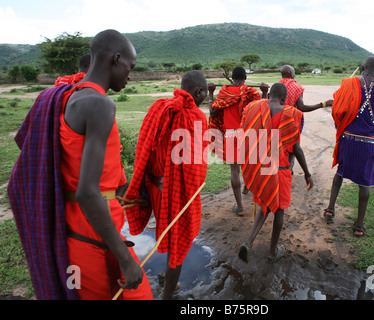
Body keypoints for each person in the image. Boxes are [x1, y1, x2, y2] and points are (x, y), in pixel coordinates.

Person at [8, 29, 153, 300]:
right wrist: (125, 259)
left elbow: (29, 145)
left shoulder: (62, 97)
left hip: (74, 232)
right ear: (116, 59)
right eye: (129, 67)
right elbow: (88, 192)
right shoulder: (99, 104)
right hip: (95, 239)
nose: (130, 74)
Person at [123, 70, 209, 300]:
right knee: (178, 241)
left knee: (167, 234)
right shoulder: (195, 117)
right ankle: (168, 292)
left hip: (154, 186)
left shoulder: (159, 107)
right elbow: (197, 166)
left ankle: (165, 280)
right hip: (177, 192)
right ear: (198, 91)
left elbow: (145, 146)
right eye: (205, 93)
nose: (205, 98)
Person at [238, 83, 313, 264]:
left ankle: (248, 242)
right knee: (279, 211)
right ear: (284, 99)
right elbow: (296, 147)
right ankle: (273, 252)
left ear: (269, 94)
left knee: (265, 206)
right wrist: (307, 173)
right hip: (280, 170)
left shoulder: (253, 108)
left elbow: (244, 136)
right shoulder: (290, 113)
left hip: (262, 169)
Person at [323, 56, 374, 238]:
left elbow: (337, 109)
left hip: (348, 137)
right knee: (365, 182)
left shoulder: (350, 83)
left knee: (340, 172)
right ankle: (359, 226)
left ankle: (330, 210)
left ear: (363, 68)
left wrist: (340, 127)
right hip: (368, 141)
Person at [208, 66, 269, 216]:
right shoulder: (250, 92)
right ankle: (251, 191)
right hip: (247, 135)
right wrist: (265, 92)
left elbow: (213, 111)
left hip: (231, 135)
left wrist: (210, 93)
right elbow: (263, 107)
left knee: (234, 170)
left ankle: (240, 207)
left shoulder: (224, 92)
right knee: (249, 166)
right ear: (245, 78)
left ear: (232, 77)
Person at [279, 65, 333, 132]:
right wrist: (323, 104)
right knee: (292, 140)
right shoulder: (297, 87)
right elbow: (302, 107)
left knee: (274, 141)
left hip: (276, 121)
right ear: (291, 73)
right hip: (291, 122)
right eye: (294, 72)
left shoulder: (276, 86)